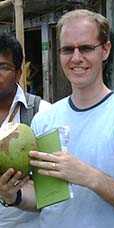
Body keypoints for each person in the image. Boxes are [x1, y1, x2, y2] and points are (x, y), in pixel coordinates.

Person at [0, 10, 114, 228]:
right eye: (68, 49)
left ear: (105, 50)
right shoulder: (45, 119)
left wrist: (90, 177)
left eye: (86, 48)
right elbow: (48, 199)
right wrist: (14, 196)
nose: (76, 58)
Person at [0, 33, 51, 228]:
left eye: (3, 67)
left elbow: (53, 192)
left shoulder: (43, 114)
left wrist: (15, 196)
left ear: (19, 73)